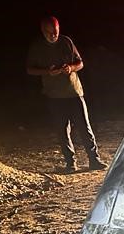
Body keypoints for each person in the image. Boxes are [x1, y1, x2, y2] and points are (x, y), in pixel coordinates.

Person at [26, 15, 107, 173]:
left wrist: (70, 68)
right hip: (54, 95)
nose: (53, 35)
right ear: (43, 32)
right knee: (62, 130)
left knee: (85, 127)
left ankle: (94, 160)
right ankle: (71, 163)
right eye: (49, 32)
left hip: (74, 92)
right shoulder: (37, 47)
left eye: (55, 31)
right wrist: (48, 72)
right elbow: (29, 69)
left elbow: (80, 63)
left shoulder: (66, 42)